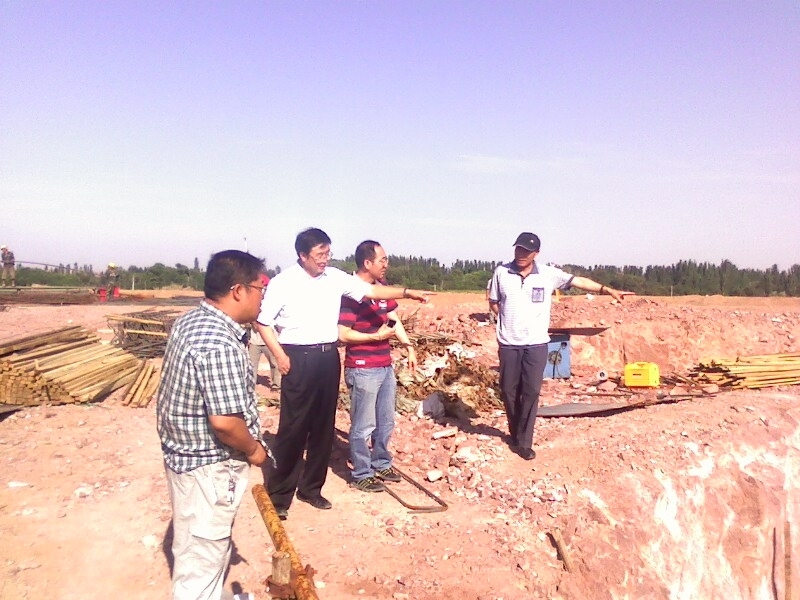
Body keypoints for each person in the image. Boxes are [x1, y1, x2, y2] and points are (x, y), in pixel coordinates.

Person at [254, 227, 429, 518]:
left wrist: (407, 292)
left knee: (323, 427)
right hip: (297, 357)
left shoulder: (334, 277)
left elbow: (372, 291)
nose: (325, 259)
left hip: (327, 357)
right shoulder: (283, 282)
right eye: (320, 254)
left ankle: (311, 489)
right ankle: (280, 496)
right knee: (293, 428)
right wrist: (280, 355)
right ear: (302, 255)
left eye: (328, 253)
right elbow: (263, 323)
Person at [157, 249, 269, 600]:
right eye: (260, 288)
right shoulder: (219, 343)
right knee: (203, 555)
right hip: (208, 467)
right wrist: (254, 450)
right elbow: (225, 423)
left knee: (194, 544)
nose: (262, 296)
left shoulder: (192, 321)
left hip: (185, 458)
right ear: (238, 291)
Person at [488, 232, 633, 460]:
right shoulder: (501, 272)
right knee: (508, 390)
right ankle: (515, 432)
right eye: (518, 249)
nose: (521, 254)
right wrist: (505, 320)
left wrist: (607, 290)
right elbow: (494, 302)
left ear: (536, 254)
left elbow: (578, 281)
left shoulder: (548, 274)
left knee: (531, 391)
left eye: (526, 251)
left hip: (536, 344)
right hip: (509, 343)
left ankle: (524, 442)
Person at [338, 240, 417, 493]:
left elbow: (393, 319)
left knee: (385, 421)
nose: (386, 264)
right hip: (363, 368)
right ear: (367, 263)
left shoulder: (381, 289)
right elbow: (343, 334)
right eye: (382, 260)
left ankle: (381, 463)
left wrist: (408, 347)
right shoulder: (351, 295)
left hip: (384, 365)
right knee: (363, 424)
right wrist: (375, 337)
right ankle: (361, 472)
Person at [248, 274, 282, 390]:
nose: (263, 290)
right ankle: (250, 385)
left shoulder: (273, 303)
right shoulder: (252, 302)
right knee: (251, 364)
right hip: (255, 340)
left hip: (270, 339)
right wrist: (253, 322)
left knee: (275, 363)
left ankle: (276, 385)